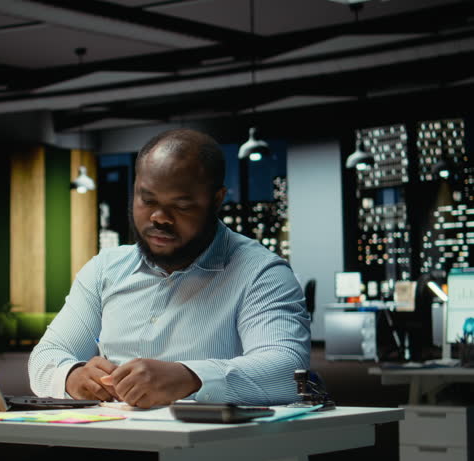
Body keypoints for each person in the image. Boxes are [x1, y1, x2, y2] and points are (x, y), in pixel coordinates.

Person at [29, 128, 310, 407]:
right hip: (111, 439)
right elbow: (48, 355)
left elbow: (288, 370)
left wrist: (191, 377)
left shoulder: (261, 273)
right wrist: (71, 376)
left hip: (211, 445)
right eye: (147, 200)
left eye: (182, 205)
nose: (159, 217)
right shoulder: (104, 269)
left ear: (216, 200)